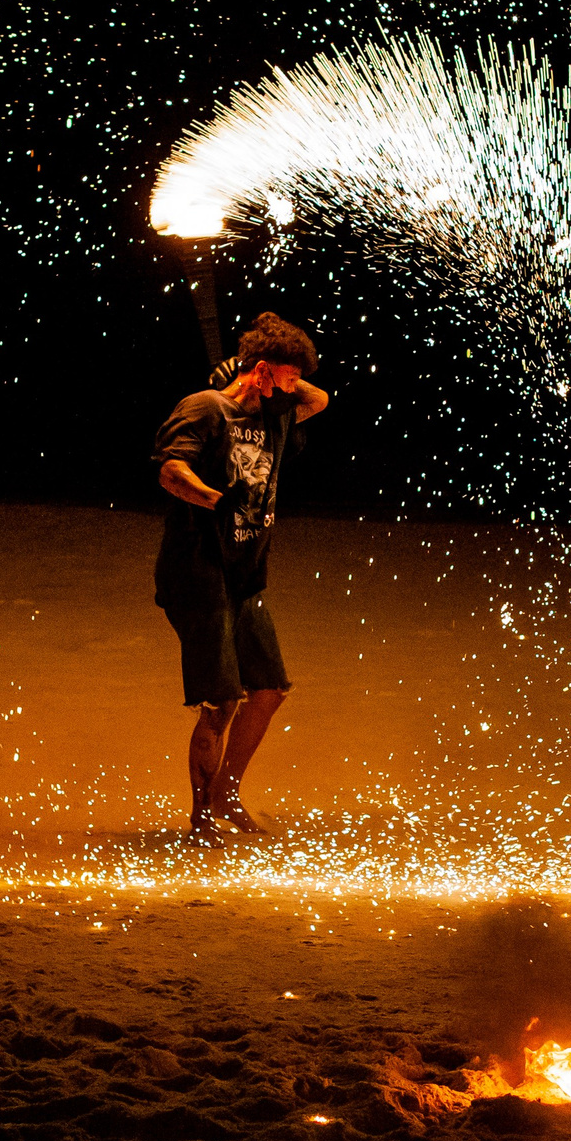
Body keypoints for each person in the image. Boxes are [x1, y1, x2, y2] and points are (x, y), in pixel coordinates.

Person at [151, 311, 329, 842]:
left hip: (246, 576)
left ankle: (225, 793)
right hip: (197, 572)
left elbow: (320, 399)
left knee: (270, 689)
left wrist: (260, 371)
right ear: (264, 371)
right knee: (222, 701)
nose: (294, 388)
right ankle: (201, 817)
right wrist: (213, 498)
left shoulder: (278, 414)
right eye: (287, 376)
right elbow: (170, 470)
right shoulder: (204, 408)